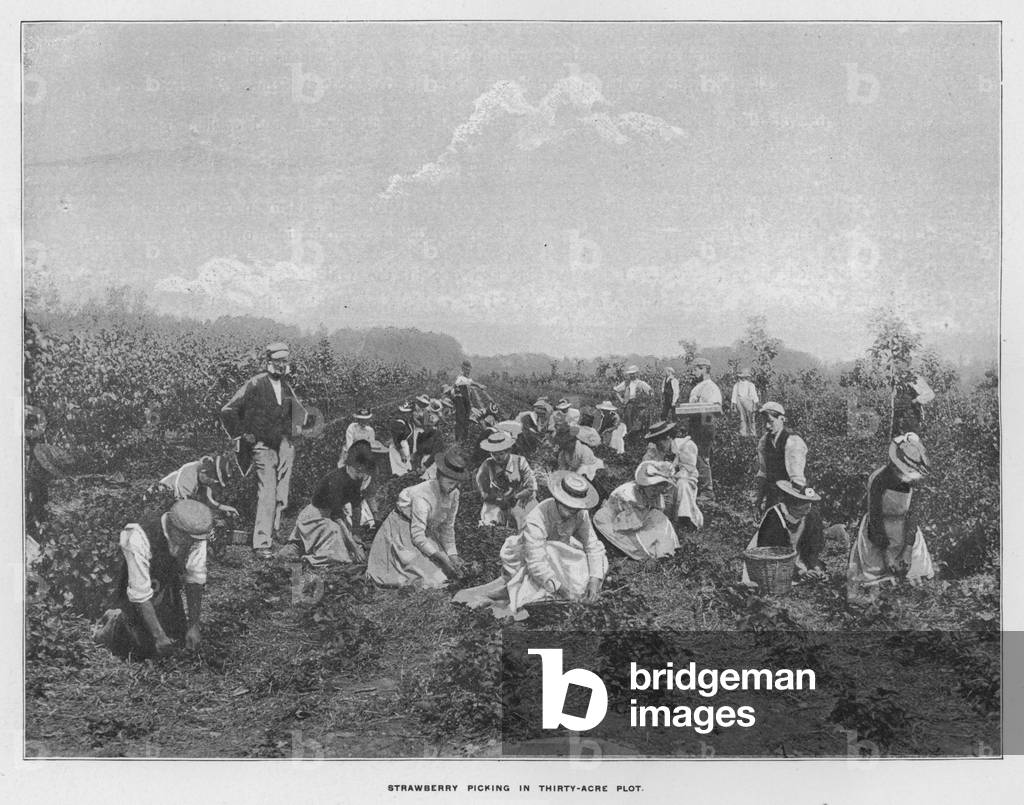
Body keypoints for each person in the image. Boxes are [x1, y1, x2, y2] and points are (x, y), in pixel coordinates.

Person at [453, 471, 608, 616]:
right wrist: (563, 590)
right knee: (551, 553)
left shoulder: (581, 513)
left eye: (575, 508)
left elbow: (592, 546)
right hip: (529, 556)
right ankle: (540, 594)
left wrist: (594, 581)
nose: (571, 512)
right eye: (567, 506)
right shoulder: (537, 517)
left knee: (597, 561)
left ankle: (574, 591)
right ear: (557, 500)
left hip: (559, 553)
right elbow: (536, 562)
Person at [93, 500, 212, 660]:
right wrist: (158, 636)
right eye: (187, 539)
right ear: (174, 529)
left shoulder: (195, 536)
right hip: (133, 593)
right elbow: (140, 593)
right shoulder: (139, 534)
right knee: (140, 649)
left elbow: (195, 579)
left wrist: (194, 626)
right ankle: (114, 620)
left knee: (177, 639)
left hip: (163, 588)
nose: (191, 544)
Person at [220, 342, 307, 559]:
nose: (281, 365)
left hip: (283, 445)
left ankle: (273, 531)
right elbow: (228, 410)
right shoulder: (256, 383)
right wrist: (243, 433)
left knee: (281, 492)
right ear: (268, 362)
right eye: (277, 361)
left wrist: (297, 428)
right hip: (262, 446)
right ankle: (261, 543)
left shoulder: (286, 386)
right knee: (267, 491)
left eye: (284, 361)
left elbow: (299, 412)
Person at [366, 448, 470, 588]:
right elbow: (417, 536)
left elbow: (447, 527)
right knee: (430, 578)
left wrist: (452, 555)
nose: (453, 487)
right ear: (439, 476)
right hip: (401, 531)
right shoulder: (422, 496)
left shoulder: (454, 494)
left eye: (456, 483)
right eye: (450, 483)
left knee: (445, 571)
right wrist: (442, 558)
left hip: (423, 530)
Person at [847, 433, 936, 597]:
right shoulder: (879, 480)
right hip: (878, 530)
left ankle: (909, 592)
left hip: (904, 528)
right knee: (874, 573)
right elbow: (875, 517)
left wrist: (908, 548)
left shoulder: (914, 483)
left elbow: (913, 514)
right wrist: (887, 553)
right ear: (895, 465)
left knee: (913, 571)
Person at [278, 440, 375, 566]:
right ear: (355, 465)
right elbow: (337, 516)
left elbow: (356, 506)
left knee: (348, 543)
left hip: (332, 518)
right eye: (360, 469)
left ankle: (303, 548)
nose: (362, 475)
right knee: (336, 542)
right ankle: (305, 556)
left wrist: (356, 534)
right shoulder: (336, 480)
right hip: (316, 518)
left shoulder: (356, 479)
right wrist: (353, 546)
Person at [742, 481, 827, 585]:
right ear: (790, 502)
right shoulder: (774, 517)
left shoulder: (812, 515)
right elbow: (770, 551)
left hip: (798, 558)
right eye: (799, 506)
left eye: (807, 506)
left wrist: (815, 567)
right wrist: (799, 572)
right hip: (772, 561)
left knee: (814, 575)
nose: (803, 512)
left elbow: (812, 548)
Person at [593, 461, 680, 560]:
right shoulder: (628, 494)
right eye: (653, 488)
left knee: (659, 518)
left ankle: (665, 551)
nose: (656, 492)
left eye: (659, 489)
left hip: (639, 519)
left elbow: (656, 515)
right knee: (633, 536)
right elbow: (625, 521)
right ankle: (643, 552)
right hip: (616, 520)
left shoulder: (656, 497)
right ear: (645, 484)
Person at [643, 420, 703, 529]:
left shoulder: (685, 446)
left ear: (668, 438)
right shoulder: (656, 449)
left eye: (661, 443)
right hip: (667, 479)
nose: (660, 446)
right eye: (657, 443)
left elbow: (688, 470)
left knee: (682, 485)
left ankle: (686, 519)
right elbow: (646, 464)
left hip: (686, 478)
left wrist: (671, 474)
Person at [753, 401, 810, 512]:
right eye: (765, 422)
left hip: (792, 499)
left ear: (782, 419)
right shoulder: (764, 441)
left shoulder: (793, 442)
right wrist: (758, 501)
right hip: (772, 498)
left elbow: (797, 480)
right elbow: (763, 472)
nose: (767, 426)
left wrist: (795, 508)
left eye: (771, 422)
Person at [475, 430, 538, 529]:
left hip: (519, 498)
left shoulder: (520, 461)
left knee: (526, 521)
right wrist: (496, 500)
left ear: (508, 451)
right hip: (498, 500)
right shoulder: (487, 464)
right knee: (491, 523)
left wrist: (517, 497)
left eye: (501, 454)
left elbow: (531, 486)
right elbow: (483, 490)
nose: (498, 457)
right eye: (494, 454)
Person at [156, 454, 238, 517]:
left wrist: (224, 508)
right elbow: (184, 506)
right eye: (214, 479)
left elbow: (209, 501)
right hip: (158, 501)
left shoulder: (202, 481)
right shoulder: (188, 476)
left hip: (171, 505)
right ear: (204, 471)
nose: (213, 482)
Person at [687, 357, 723, 501]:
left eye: (696, 370)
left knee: (702, 456)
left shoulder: (710, 387)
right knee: (695, 456)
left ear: (703, 369)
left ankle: (707, 491)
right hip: (696, 424)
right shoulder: (699, 386)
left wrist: (704, 425)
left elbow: (714, 407)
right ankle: (699, 487)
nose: (693, 373)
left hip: (704, 424)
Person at [891, 370, 934, 438]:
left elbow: (930, 394)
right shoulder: (894, 377)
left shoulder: (914, 378)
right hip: (897, 414)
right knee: (897, 437)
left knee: (911, 437)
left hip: (911, 413)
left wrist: (917, 400)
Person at [453, 361, 487, 442]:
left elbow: (470, 384)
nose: (468, 371)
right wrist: (479, 385)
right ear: (462, 369)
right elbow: (468, 382)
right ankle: (458, 439)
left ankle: (464, 439)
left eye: (469, 369)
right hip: (460, 401)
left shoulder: (467, 378)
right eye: (466, 369)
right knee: (460, 420)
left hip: (466, 401)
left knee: (466, 420)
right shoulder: (460, 378)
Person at [614, 365, 653, 434]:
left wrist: (650, 395)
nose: (632, 375)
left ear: (637, 374)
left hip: (639, 404)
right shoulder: (626, 383)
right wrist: (621, 399)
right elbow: (615, 390)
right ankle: (630, 433)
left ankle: (643, 432)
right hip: (629, 403)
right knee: (628, 417)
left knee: (643, 418)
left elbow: (650, 390)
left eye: (633, 373)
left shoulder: (641, 383)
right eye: (630, 374)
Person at [387, 402, 415, 476]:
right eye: (404, 412)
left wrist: (411, 452)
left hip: (405, 445)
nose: (406, 414)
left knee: (407, 468)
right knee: (400, 469)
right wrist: (402, 454)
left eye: (408, 412)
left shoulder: (408, 422)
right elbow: (396, 440)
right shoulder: (397, 423)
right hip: (397, 447)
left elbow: (410, 437)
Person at [731, 368, 760, 437]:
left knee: (751, 418)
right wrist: (734, 406)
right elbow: (734, 396)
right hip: (740, 402)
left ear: (746, 377)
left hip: (749, 402)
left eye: (744, 377)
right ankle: (743, 434)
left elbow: (754, 396)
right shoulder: (737, 385)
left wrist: (755, 405)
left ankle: (752, 434)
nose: (742, 378)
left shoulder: (750, 385)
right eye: (741, 377)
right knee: (742, 418)